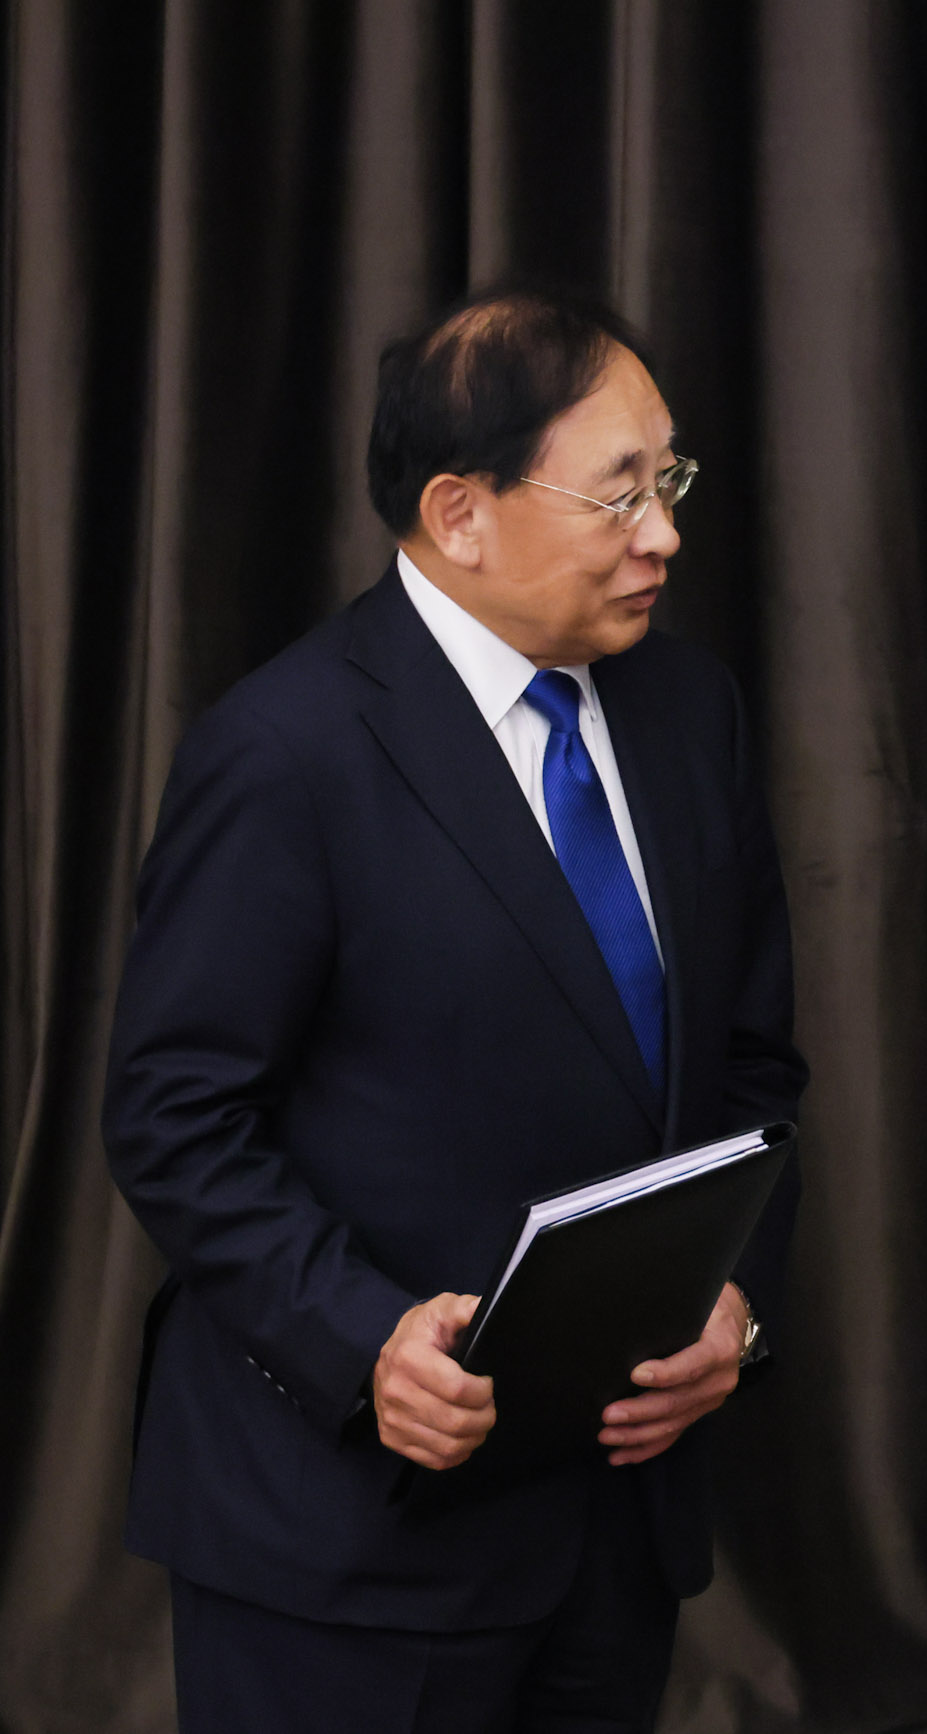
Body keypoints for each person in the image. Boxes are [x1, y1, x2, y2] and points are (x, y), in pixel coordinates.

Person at [102, 287, 806, 1731]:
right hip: (344, 1544)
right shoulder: (285, 750)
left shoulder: (690, 712)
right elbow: (174, 1115)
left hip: (610, 1536)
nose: (664, 531)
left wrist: (731, 1306)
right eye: (618, 493)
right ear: (458, 512)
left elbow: (749, 1065)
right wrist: (362, 1339)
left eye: (666, 481)